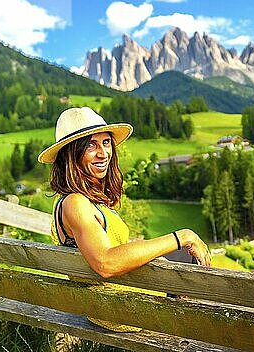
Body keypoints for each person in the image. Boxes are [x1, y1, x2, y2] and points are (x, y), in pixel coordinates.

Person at [38, 106, 211, 330]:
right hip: (123, 310)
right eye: (91, 145)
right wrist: (182, 236)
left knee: (187, 259)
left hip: (118, 302)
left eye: (106, 142)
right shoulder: (75, 203)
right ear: (71, 154)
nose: (103, 153)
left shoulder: (75, 200)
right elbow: (105, 263)